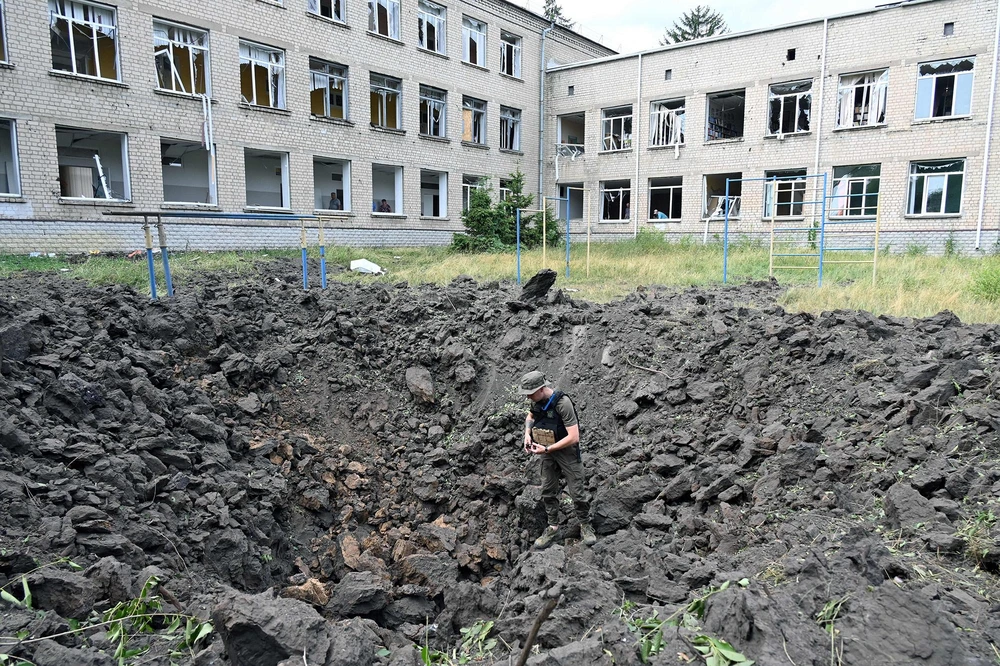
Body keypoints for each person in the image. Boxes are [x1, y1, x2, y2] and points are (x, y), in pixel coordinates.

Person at [519, 370, 597, 547]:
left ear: (541, 389)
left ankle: (585, 524)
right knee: (548, 490)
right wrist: (527, 435)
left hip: (566, 452)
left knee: (577, 490)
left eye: (530, 393)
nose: (528, 397)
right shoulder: (537, 402)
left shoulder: (563, 403)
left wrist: (547, 448)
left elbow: (574, 436)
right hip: (547, 452)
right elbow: (530, 416)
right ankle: (553, 528)